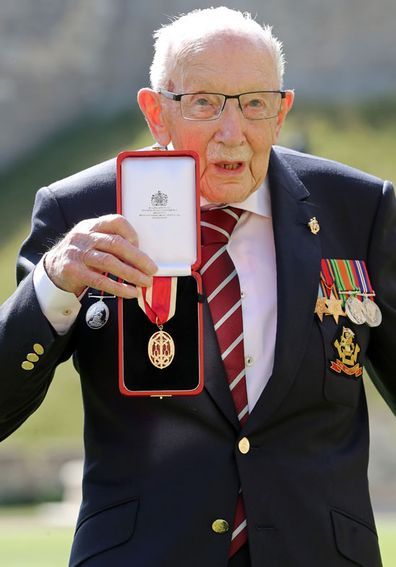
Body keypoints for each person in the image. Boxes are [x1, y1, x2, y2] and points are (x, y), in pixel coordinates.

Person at [0, 6, 395, 567]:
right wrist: (53, 285)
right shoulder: (79, 211)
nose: (231, 133)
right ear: (156, 112)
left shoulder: (358, 209)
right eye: (204, 103)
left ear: (281, 112)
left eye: (254, 103)